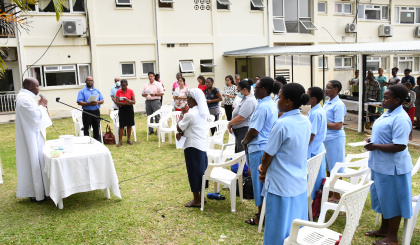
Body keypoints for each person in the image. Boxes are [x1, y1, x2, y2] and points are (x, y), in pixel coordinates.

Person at [258, 83, 311, 245]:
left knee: (277, 225)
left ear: (288, 102)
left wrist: (262, 171)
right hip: (298, 181)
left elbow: (268, 155)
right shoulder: (305, 121)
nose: (277, 101)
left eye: (279, 97)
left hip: (280, 183)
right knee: (295, 224)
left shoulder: (282, 124)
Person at [364, 84, 413, 245]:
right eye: (383, 97)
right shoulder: (389, 113)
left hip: (393, 168)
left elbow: (400, 145)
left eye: (386, 98)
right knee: (384, 198)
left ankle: (392, 237)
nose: (383, 100)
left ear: (398, 100)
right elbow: (385, 135)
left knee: (393, 200)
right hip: (380, 165)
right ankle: (384, 230)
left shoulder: (401, 118)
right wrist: (373, 140)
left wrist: (375, 146)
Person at [241, 77, 277, 226]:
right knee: (262, 182)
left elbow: (254, 130)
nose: (254, 89)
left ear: (264, 90)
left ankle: (262, 216)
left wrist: (244, 141)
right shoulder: (270, 103)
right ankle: (263, 212)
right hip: (265, 146)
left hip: (259, 147)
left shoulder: (263, 106)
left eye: (257, 87)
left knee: (259, 184)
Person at [15, 77, 52, 202]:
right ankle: (37, 193)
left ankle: (40, 191)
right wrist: (41, 106)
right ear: (30, 87)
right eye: (37, 86)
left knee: (37, 163)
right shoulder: (23, 99)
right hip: (30, 138)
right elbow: (36, 117)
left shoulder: (27, 98)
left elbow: (33, 114)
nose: (38, 88)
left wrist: (39, 106)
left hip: (33, 136)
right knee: (34, 162)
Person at [176, 88, 210, 208]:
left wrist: (182, 113)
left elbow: (179, 127)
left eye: (187, 99)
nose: (186, 102)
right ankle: (202, 196)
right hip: (201, 144)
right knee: (201, 171)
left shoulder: (190, 114)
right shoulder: (202, 112)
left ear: (192, 99)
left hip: (192, 146)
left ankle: (196, 200)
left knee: (193, 172)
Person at [323, 80, 346, 203]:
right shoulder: (328, 102)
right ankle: (330, 191)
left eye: (329, 87)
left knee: (336, 167)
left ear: (336, 89)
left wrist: (322, 123)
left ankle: (336, 195)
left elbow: (338, 125)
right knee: (328, 166)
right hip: (327, 138)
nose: (326, 89)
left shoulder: (339, 105)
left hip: (335, 139)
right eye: (326, 87)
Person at [306, 87, 327, 200]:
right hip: (317, 148)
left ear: (313, 99)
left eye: (307, 95)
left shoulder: (315, 113)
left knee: (313, 178)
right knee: (317, 176)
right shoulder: (316, 110)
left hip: (313, 150)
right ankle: (316, 202)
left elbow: (311, 135)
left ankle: (314, 201)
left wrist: (302, 148)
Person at [228, 80, 257, 153]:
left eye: (239, 90)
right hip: (239, 130)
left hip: (243, 130)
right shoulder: (245, 98)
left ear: (245, 90)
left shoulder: (249, 101)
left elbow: (241, 118)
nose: (238, 93)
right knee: (238, 151)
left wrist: (230, 124)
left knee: (241, 154)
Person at [77, 76, 104, 142]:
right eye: (88, 80)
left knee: (96, 128)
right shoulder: (82, 91)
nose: (90, 82)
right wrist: (89, 103)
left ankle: (97, 141)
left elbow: (102, 100)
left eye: (91, 80)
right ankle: (87, 142)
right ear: (85, 82)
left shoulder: (96, 91)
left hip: (96, 111)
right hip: (87, 112)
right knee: (86, 128)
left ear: (93, 82)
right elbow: (79, 102)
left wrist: (97, 102)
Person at [115, 79, 136, 147]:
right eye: (122, 86)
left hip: (129, 109)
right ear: (120, 85)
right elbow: (117, 103)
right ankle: (120, 141)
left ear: (127, 84)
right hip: (122, 109)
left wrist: (128, 100)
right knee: (122, 125)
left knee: (129, 124)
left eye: (125, 85)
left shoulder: (130, 91)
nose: (123, 87)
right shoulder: (118, 91)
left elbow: (134, 102)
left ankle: (128, 139)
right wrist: (127, 103)